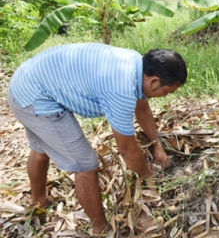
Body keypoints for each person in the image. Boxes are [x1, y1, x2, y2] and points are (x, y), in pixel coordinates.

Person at [7, 43, 188, 235]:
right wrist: (150, 177)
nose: (163, 96)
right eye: (167, 92)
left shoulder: (134, 63)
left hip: (25, 82)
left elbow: (142, 107)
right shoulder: (121, 90)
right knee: (86, 165)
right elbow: (127, 150)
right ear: (154, 81)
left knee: (41, 149)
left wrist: (156, 144)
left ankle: (39, 202)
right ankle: (100, 228)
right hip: (36, 99)